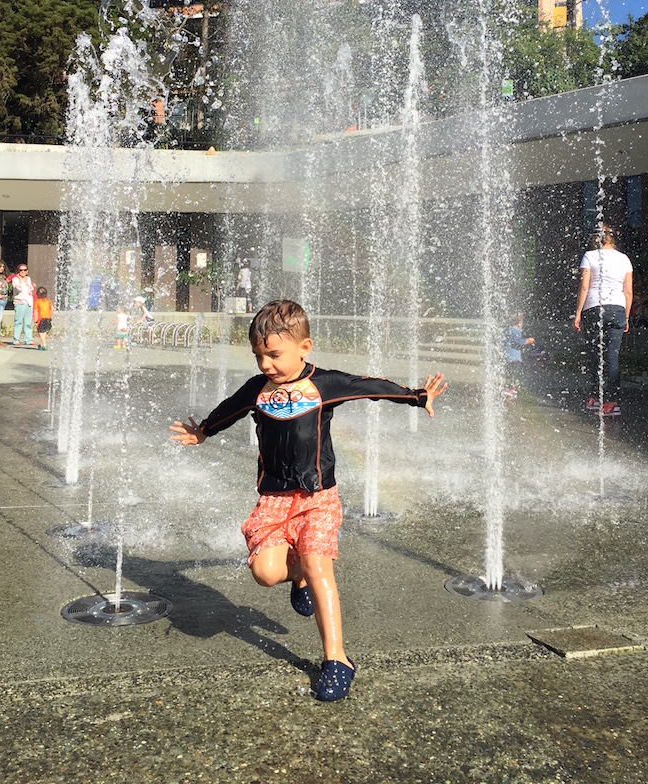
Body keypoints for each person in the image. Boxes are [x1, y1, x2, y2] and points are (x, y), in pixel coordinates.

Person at [170, 299, 447, 703]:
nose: (266, 364)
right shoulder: (258, 389)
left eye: (274, 354)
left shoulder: (323, 384)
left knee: (320, 566)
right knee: (265, 573)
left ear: (305, 347)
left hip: (318, 497)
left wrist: (416, 396)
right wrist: (205, 431)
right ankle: (296, 575)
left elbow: (367, 387)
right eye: (259, 355)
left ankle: (337, 659)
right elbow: (229, 409)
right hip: (274, 501)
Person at [573, 224, 633, 417]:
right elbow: (628, 291)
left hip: (594, 308)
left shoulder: (590, 256)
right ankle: (613, 402)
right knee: (612, 357)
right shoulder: (624, 259)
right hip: (618, 308)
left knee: (594, 354)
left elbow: (584, 286)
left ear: (596, 239)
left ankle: (594, 398)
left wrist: (578, 312)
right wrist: (626, 316)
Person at [504, 311, 535, 399]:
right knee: (516, 375)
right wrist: (529, 341)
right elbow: (519, 341)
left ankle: (508, 389)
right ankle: (512, 391)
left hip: (508, 357)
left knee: (510, 374)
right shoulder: (516, 330)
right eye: (522, 323)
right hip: (515, 358)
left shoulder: (507, 329)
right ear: (519, 323)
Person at [9, 263, 35, 347]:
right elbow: (18, 288)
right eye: (21, 270)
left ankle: (28, 339)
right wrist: (20, 279)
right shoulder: (15, 279)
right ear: (18, 271)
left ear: (27, 271)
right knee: (18, 321)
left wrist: (27, 282)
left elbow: (31, 289)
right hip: (20, 302)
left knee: (27, 322)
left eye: (24, 270)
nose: (23, 272)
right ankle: (16, 339)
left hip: (29, 302)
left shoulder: (28, 279)